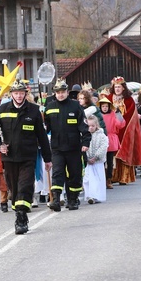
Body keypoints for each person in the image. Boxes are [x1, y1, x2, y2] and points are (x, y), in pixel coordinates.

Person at [0, 81, 52, 235]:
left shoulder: (33, 111)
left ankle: (21, 218)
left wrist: (47, 158)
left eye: (21, 93)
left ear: (26, 94)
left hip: (27, 157)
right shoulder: (2, 110)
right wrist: (0, 146)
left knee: (25, 187)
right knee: (14, 188)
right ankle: (19, 210)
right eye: (16, 93)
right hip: (9, 158)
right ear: (11, 94)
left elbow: (42, 136)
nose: (19, 96)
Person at [44, 78, 90, 211]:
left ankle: (73, 199)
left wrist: (85, 142)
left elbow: (84, 126)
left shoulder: (76, 106)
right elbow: (45, 127)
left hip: (74, 147)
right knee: (57, 173)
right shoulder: (50, 107)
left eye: (63, 92)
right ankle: (56, 200)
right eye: (58, 92)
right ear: (55, 93)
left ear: (67, 92)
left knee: (74, 174)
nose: (60, 94)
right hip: (57, 148)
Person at [110, 76, 141, 185]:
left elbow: (130, 115)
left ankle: (124, 177)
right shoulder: (108, 98)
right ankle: (112, 176)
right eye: (115, 87)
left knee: (124, 152)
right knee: (112, 154)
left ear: (123, 88)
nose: (117, 89)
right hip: (112, 129)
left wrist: (120, 121)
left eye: (119, 87)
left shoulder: (129, 99)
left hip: (125, 129)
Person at [98, 95, 125, 189]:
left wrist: (118, 114)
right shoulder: (98, 115)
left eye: (106, 106)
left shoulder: (113, 114)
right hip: (101, 139)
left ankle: (109, 179)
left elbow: (121, 124)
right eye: (103, 106)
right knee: (101, 161)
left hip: (111, 139)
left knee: (110, 161)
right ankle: (101, 179)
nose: (105, 108)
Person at [83, 115, 109, 204]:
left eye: (92, 126)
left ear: (96, 125)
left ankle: (96, 196)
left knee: (97, 180)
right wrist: (86, 158)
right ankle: (89, 195)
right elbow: (83, 146)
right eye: (88, 126)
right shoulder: (84, 136)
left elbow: (103, 146)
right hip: (88, 162)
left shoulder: (101, 136)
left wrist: (96, 156)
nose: (90, 128)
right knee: (88, 179)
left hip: (97, 162)